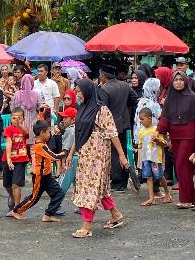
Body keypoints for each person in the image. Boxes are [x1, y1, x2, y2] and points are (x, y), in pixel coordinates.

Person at [68, 79, 128, 238]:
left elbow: (112, 133)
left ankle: (87, 226)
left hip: (98, 155)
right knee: (99, 187)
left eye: (79, 91)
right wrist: (71, 153)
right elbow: (78, 133)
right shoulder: (81, 108)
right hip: (84, 154)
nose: (77, 94)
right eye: (76, 91)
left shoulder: (102, 110)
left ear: (88, 91)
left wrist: (122, 156)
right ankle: (116, 216)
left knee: (90, 186)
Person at [157, 70, 195, 209]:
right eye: (176, 80)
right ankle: (191, 198)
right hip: (175, 136)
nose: (178, 82)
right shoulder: (169, 98)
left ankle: (185, 199)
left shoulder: (192, 97)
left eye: (181, 80)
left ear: (185, 81)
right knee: (184, 169)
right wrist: (158, 132)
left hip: (189, 136)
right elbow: (165, 118)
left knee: (181, 165)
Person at [11, 120, 67, 222]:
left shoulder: (43, 143)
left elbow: (50, 147)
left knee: (59, 193)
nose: (50, 134)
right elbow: (54, 156)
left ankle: (48, 215)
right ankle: (16, 211)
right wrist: (65, 152)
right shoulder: (39, 146)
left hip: (47, 176)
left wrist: (57, 133)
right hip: (39, 177)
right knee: (34, 198)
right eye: (48, 132)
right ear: (42, 133)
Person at [99, 64, 138, 192]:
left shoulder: (105, 89)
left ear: (104, 76)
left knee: (114, 152)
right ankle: (124, 178)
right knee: (123, 151)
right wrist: (125, 109)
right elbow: (134, 99)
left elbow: (103, 109)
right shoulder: (125, 85)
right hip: (124, 122)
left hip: (111, 124)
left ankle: (117, 181)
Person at [135, 107, 168, 206]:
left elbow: (164, 143)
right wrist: (137, 150)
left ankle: (167, 192)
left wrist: (157, 140)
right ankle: (151, 198)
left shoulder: (156, 130)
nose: (141, 121)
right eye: (140, 119)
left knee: (159, 176)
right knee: (148, 177)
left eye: (142, 119)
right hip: (146, 158)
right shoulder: (141, 131)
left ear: (149, 118)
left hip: (155, 158)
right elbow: (140, 145)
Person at [3, 107, 30, 213]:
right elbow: (8, 144)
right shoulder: (8, 129)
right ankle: (13, 198)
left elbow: (26, 132)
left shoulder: (24, 129)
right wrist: (9, 159)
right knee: (7, 184)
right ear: (10, 118)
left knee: (16, 184)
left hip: (21, 160)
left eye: (19, 118)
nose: (16, 120)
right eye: (14, 118)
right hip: (8, 158)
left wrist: (19, 125)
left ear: (23, 118)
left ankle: (17, 209)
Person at [11, 74, 38, 146]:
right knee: (31, 145)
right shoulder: (36, 94)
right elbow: (39, 108)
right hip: (33, 124)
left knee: (20, 144)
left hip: (19, 123)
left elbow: (13, 109)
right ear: (32, 83)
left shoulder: (17, 94)